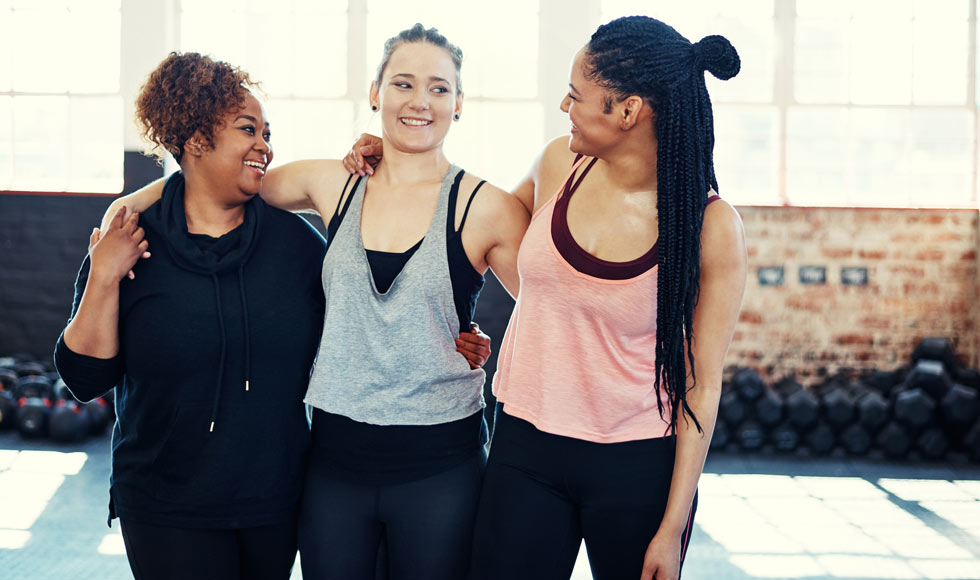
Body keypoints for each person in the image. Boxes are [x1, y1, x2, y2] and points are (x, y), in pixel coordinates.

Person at [105, 24, 528, 580]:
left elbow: (555, 309)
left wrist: (495, 347)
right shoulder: (333, 183)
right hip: (333, 465)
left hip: (439, 466)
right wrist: (126, 208)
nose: (420, 101)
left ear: (459, 103)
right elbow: (216, 180)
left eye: (439, 88)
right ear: (375, 93)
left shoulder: (487, 206)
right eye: (402, 83)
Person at [344, 15, 747, 580]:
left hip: (635, 462)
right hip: (525, 444)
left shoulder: (710, 226)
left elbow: (701, 389)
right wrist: (393, 156)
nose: (564, 105)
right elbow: (465, 231)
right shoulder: (561, 162)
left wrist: (672, 528)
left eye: (578, 94)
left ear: (627, 111)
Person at [54, 52, 325, 580]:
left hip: (272, 501)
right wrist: (104, 275)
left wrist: (448, 339)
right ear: (197, 140)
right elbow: (85, 378)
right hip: (165, 503)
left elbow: (355, 335)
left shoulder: (297, 246)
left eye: (268, 132)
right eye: (249, 129)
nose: (265, 146)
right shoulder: (130, 238)